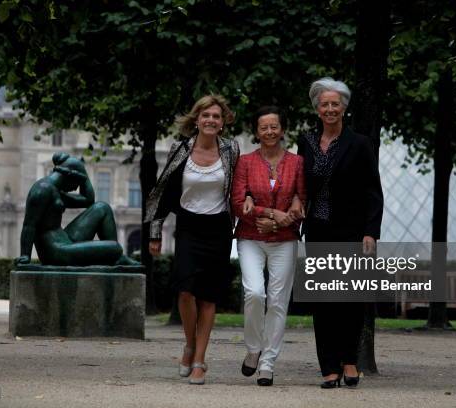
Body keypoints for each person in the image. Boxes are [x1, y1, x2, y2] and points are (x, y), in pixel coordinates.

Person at [144, 95, 240, 385]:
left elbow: (239, 187)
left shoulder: (231, 150)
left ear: (222, 123)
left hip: (219, 229)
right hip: (187, 227)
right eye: (205, 115)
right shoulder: (180, 149)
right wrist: (155, 232)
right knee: (185, 291)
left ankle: (199, 359)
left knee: (208, 297)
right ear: (196, 120)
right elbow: (161, 190)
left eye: (216, 116)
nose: (211, 120)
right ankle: (188, 344)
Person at [297, 77, 383, 388]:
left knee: (350, 299)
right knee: (323, 302)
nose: (330, 109)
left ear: (344, 108)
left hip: (351, 230)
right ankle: (328, 367)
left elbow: (373, 190)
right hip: (318, 230)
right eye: (325, 104)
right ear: (317, 109)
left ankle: (349, 361)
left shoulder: (359, 143)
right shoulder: (305, 141)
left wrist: (371, 231)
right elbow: (300, 184)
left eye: (336, 104)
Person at [231, 106, 306, 386]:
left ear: (283, 130)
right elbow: (238, 204)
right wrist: (272, 214)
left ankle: (267, 361)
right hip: (250, 237)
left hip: (284, 240)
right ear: (256, 131)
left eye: (274, 126)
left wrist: (277, 222)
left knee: (277, 302)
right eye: (264, 127)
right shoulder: (245, 162)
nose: (270, 131)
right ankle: (253, 348)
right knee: (254, 293)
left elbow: (301, 200)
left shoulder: (297, 163)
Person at [16, 152, 136, 266]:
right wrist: (25, 256)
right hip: (55, 251)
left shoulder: (56, 191)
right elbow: (29, 225)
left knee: (102, 208)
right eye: (77, 184)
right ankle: (115, 256)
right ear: (69, 176)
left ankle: (116, 259)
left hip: (65, 240)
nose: (75, 189)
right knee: (115, 248)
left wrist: (84, 178)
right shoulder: (42, 190)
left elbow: (89, 200)